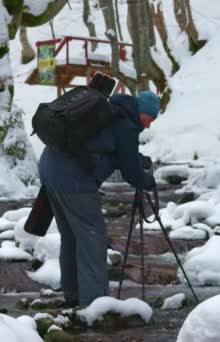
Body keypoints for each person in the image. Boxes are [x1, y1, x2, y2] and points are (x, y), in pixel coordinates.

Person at [38, 89, 159, 307]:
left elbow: (110, 152)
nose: (148, 125)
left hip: (50, 170)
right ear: (141, 111)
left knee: (72, 237)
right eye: (149, 119)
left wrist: (138, 160)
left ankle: (73, 297)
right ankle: (95, 305)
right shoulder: (126, 125)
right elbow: (131, 174)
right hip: (73, 181)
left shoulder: (111, 112)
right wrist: (149, 182)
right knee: (93, 239)